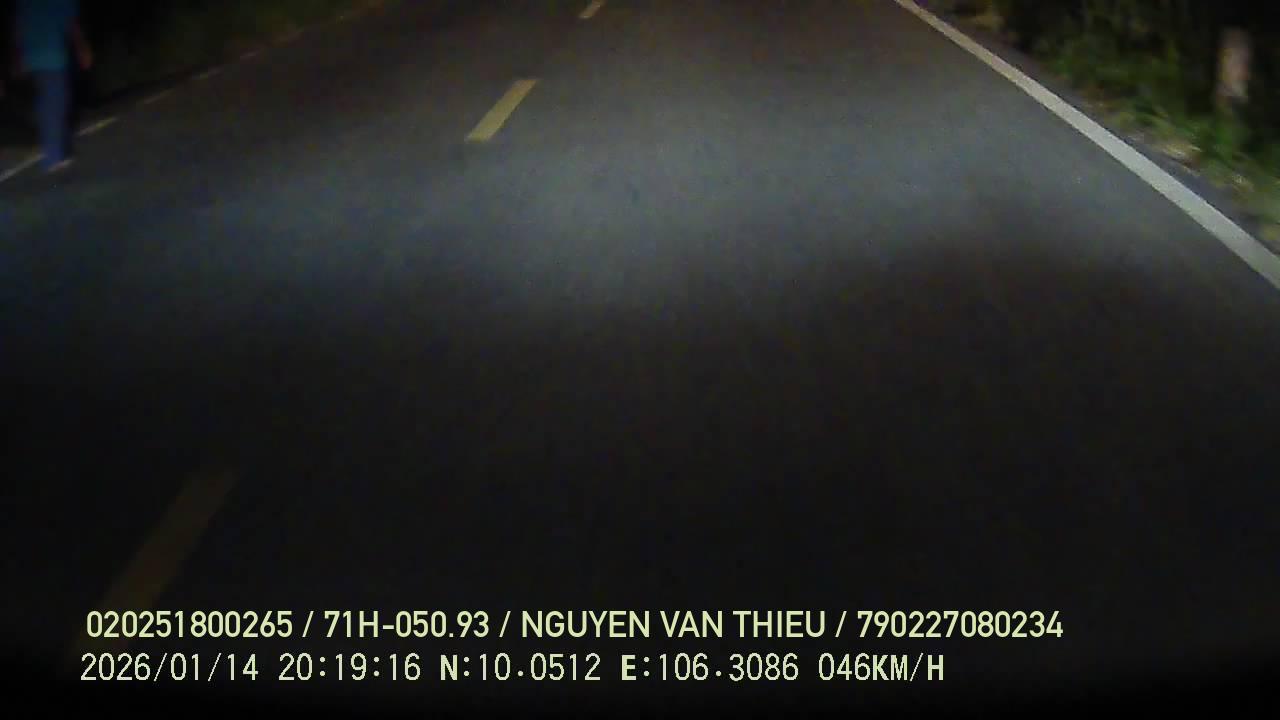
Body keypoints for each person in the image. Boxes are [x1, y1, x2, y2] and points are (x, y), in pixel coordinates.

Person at [12, 0, 91, 173]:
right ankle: (54, 156)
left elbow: (19, 27)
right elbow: (72, 24)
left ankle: (56, 150)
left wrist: (19, 56)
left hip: (35, 55)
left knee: (50, 99)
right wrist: (82, 47)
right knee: (56, 101)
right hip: (52, 55)